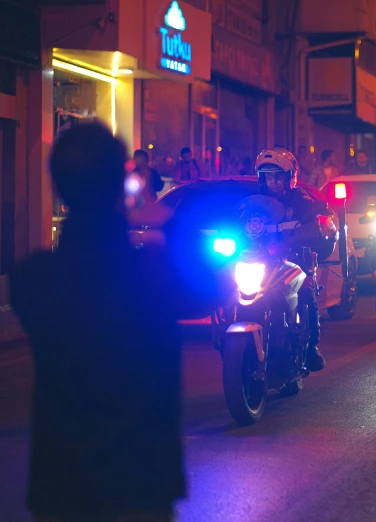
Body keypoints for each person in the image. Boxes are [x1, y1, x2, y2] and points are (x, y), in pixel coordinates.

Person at [10, 123, 226, 522]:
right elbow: (214, 285)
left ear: (58, 189)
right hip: (140, 484)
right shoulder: (155, 274)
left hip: (62, 488)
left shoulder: (33, 279)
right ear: (122, 185)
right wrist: (163, 215)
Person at [255, 147, 328, 370]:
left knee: (305, 292)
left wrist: (312, 232)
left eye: (278, 176)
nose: (273, 181)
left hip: (293, 260)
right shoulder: (253, 200)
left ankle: (310, 347)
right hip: (259, 260)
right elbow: (235, 220)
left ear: (290, 176)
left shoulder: (304, 201)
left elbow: (319, 225)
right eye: (268, 176)